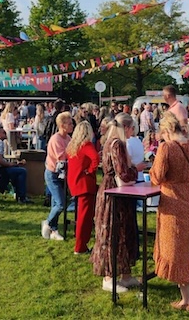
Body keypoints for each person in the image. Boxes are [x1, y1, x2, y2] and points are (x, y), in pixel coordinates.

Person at [150, 112, 189, 311]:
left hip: (172, 199)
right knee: (181, 244)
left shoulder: (167, 148)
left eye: (163, 132)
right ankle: (185, 295)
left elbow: (157, 176)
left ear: (168, 130)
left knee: (175, 249)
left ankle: (186, 298)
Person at [89, 117, 139, 293]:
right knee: (112, 233)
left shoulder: (110, 142)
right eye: (132, 128)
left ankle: (125, 275)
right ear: (125, 127)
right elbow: (122, 172)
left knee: (123, 231)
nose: (133, 132)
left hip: (114, 191)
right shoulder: (117, 144)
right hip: (113, 193)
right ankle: (108, 277)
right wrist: (136, 169)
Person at [66, 121, 99, 254]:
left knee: (82, 215)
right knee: (85, 217)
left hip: (75, 182)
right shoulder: (87, 145)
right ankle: (80, 246)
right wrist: (90, 171)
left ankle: (81, 244)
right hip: (85, 183)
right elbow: (95, 158)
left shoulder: (73, 146)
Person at [41, 111, 73, 242]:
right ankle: (48, 223)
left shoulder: (68, 138)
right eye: (70, 123)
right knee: (60, 204)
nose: (72, 125)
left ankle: (54, 230)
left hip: (62, 175)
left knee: (56, 203)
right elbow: (62, 157)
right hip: (53, 174)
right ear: (62, 125)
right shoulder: (56, 139)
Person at [0, 126, 30, 203]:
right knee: (22, 171)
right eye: (4, 133)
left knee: (16, 170)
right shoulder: (0, 143)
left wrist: (12, 164)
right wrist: (10, 164)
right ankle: (21, 197)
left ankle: (18, 194)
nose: (6, 134)